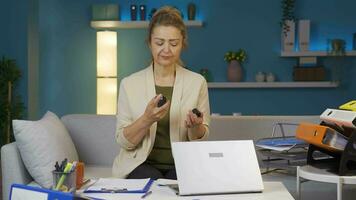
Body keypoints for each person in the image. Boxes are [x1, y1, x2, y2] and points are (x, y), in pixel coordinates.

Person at [112, 6, 210, 180]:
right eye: (159, 43)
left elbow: (200, 139)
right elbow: (123, 141)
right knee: (151, 181)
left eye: (173, 43)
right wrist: (147, 119)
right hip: (141, 164)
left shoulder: (197, 82)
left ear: (182, 44)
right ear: (150, 43)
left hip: (182, 164)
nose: (166, 49)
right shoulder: (129, 84)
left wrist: (196, 126)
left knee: (183, 182)